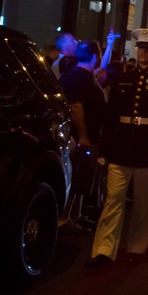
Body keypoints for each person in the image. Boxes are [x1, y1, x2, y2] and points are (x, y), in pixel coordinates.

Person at [86, 29, 148, 268]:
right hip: (121, 146)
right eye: (141, 47)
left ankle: (137, 247)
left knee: (143, 202)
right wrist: (104, 150)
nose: (144, 52)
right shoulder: (122, 79)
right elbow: (111, 117)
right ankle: (104, 251)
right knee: (113, 200)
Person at [59, 40, 107, 233]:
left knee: (83, 178)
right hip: (83, 138)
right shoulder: (79, 77)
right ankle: (64, 218)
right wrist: (83, 136)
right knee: (78, 176)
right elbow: (76, 107)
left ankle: (75, 217)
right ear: (95, 56)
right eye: (101, 53)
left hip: (88, 136)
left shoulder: (83, 76)